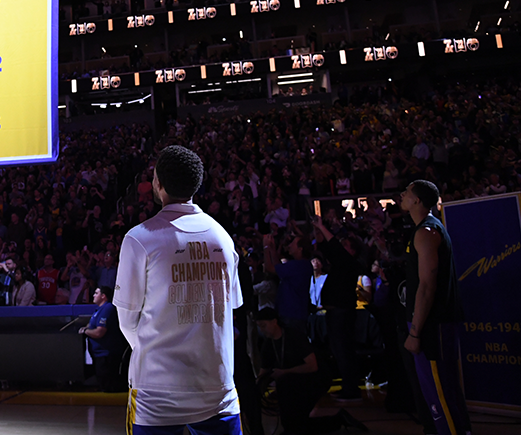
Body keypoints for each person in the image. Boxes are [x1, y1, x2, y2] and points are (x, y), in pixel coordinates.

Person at [115, 145, 244, 434]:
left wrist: (156, 351)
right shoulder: (222, 238)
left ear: (157, 184)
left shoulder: (139, 239)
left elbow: (126, 321)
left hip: (156, 392)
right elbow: (230, 309)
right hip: (217, 387)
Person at [400, 180, 472, 435]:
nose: (402, 195)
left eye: (407, 192)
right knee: (445, 391)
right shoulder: (425, 230)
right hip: (431, 323)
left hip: (432, 325)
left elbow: (427, 286)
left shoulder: (427, 232)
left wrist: (415, 332)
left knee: (440, 395)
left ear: (417, 200)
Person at [254, 308, 366, 434]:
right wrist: (257, 391)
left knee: (296, 421)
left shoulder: (293, 336)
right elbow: (263, 372)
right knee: (294, 424)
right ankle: (338, 419)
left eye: (264, 326)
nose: (262, 330)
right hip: (293, 383)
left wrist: (285, 372)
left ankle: (337, 420)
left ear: (274, 321)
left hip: (315, 379)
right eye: (260, 327)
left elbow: (313, 366)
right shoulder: (268, 345)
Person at [310, 215, 363, 402]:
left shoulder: (349, 263)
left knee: (343, 350)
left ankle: (351, 389)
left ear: (353, 250)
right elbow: (326, 247)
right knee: (339, 350)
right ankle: (349, 386)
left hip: (342, 312)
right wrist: (317, 230)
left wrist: (322, 226)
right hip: (336, 312)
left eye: (346, 244)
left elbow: (334, 247)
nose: (342, 245)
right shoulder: (341, 263)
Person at [79, 286, 124, 392]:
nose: (93, 295)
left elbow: (99, 332)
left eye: (96, 293)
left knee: (109, 387)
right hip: (98, 354)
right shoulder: (98, 310)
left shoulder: (108, 308)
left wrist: (85, 331)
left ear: (103, 296)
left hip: (106, 354)